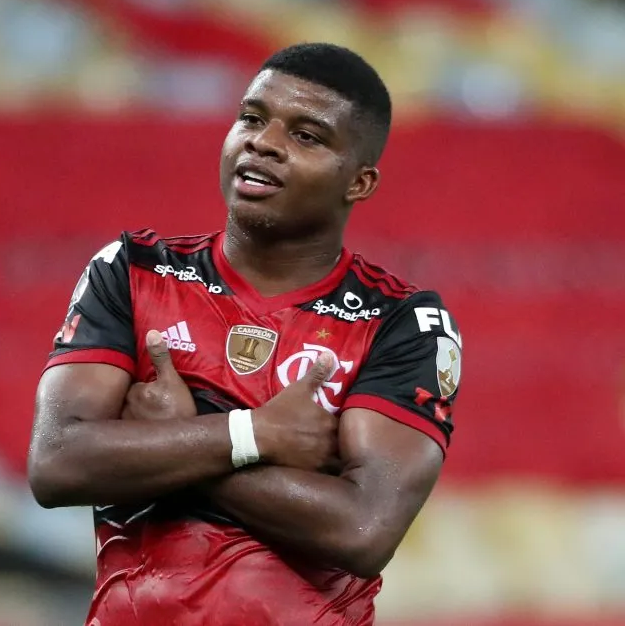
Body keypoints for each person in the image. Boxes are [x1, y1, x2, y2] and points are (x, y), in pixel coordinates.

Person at [28, 42, 463, 626]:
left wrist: (178, 439)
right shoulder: (132, 271)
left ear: (358, 183)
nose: (263, 142)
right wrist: (251, 433)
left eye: (307, 136)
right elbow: (57, 462)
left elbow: (361, 529)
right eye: (252, 118)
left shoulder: (402, 324)